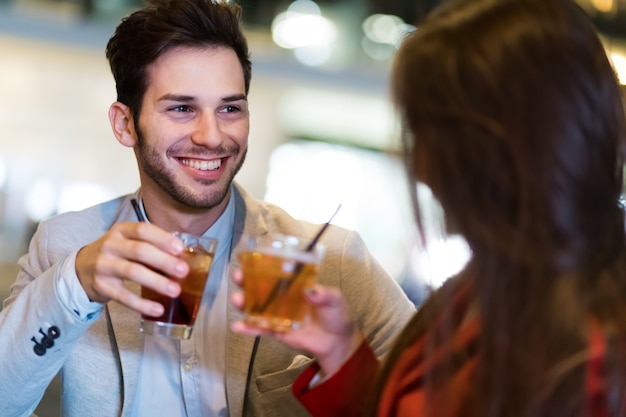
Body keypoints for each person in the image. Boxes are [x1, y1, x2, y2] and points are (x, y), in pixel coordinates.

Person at [0, 1, 415, 416]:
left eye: (230, 108)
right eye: (182, 108)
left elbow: (443, 400)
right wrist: (77, 283)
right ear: (125, 124)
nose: (212, 136)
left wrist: (343, 361)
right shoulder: (68, 245)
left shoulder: (333, 262)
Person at [232, 0, 626, 415]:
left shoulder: (589, 355)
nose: (420, 170)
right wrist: (342, 352)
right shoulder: (484, 289)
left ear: (497, 154)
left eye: (431, 141)